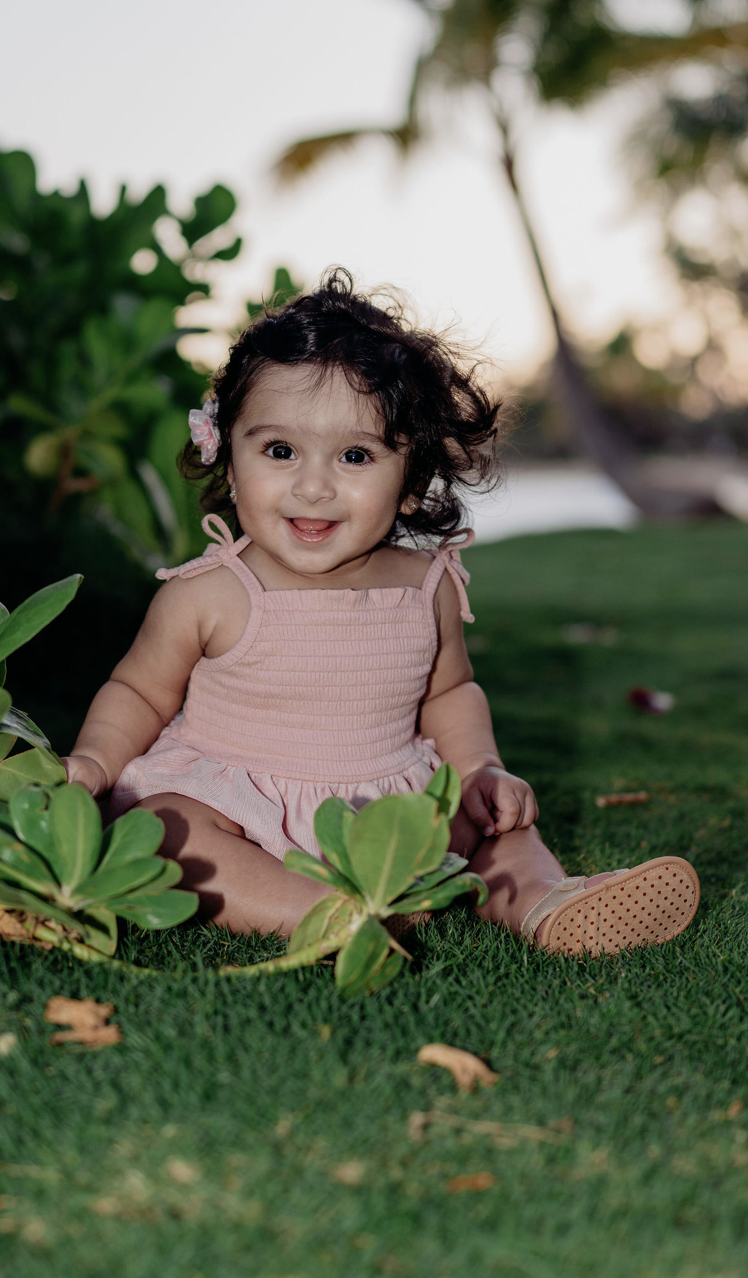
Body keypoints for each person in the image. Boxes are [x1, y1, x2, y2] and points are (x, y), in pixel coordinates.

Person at [63, 270, 699, 955]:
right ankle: (320, 913)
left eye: (355, 456)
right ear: (230, 456)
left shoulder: (428, 588)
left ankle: (541, 900)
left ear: (410, 481)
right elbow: (138, 690)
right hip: (237, 809)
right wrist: (95, 762)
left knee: (497, 827)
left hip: (393, 817)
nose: (313, 485)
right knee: (167, 832)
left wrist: (482, 770)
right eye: (280, 451)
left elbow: (451, 694)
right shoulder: (209, 592)